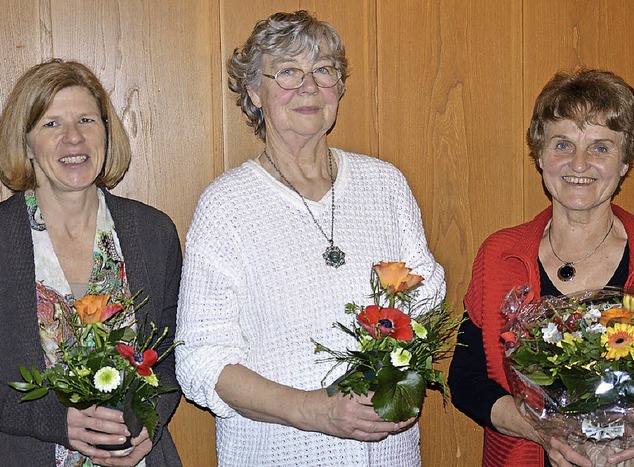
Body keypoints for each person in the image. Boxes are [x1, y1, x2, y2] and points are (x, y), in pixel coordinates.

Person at [175, 10, 445, 466]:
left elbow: (426, 303)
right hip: (277, 454)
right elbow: (201, 360)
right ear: (255, 93)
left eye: (323, 70)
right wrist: (316, 411)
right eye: (287, 72)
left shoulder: (385, 185)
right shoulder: (226, 206)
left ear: (339, 88)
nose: (309, 86)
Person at [448, 68, 634, 467]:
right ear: (540, 154)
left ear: (625, 162)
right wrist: (543, 431)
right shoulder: (500, 255)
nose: (580, 164)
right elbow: (466, 381)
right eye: (563, 144)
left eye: (601, 148)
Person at [0, 59, 182, 466]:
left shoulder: (152, 233)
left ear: (105, 131)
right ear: (26, 142)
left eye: (86, 119)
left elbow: (172, 356)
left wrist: (148, 422)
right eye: (51, 124)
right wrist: (55, 419)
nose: (74, 138)